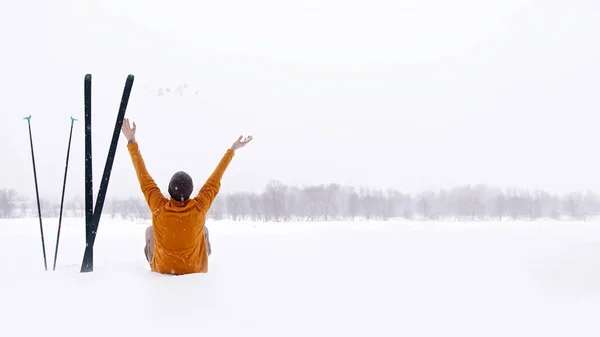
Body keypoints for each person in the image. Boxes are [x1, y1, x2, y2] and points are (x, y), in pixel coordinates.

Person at [120, 118, 252, 275]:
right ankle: (196, 260)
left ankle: (158, 263)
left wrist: (131, 140)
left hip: (163, 268)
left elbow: (143, 177)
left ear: (169, 191)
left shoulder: (158, 206)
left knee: (150, 231)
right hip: (194, 268)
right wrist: (232, 149)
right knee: (203, 229)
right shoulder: (199, 207)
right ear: (190, 192)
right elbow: (215, 178)